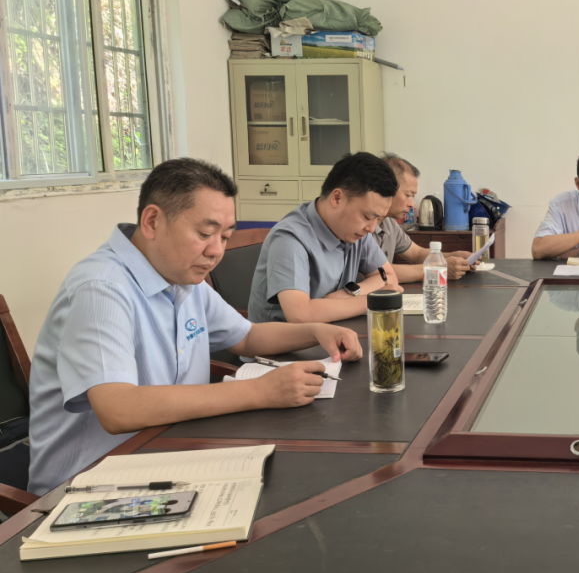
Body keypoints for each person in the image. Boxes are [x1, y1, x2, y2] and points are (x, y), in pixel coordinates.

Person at [27, 159, 361, 495]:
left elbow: (246, 336)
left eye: (225, 237)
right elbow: (118, 409)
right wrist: (260, 391)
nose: (216, 251)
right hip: (90, 486)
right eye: (204, 234)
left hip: (173, 454)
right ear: (152, 221)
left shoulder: (180, 277)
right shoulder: (101, 288)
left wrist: (316, 331)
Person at [248, 152, 403, 324]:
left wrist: (347, 294)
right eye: (367, 216)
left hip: (331, 333)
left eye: (377, 219)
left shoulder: (356, 231)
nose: (372, 228)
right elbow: (300, 314)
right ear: (337, 198)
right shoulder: (290, 238)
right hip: (284, 340)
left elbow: (388, 277)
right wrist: (376, 300)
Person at [374, 153, 478, 282]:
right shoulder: (362, 228)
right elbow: (376, 273)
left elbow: (416, 254)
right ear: (386, 189)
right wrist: (436, 269)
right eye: (408, 195)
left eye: (413, 196)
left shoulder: (389, 223)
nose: (412, 204)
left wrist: (455, 256)